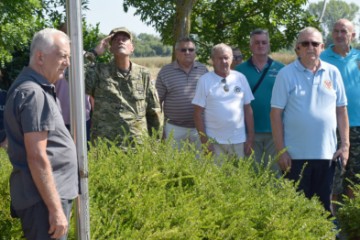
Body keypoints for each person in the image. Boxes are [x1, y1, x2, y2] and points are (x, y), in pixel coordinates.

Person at [4, 28, 78, 240]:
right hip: (44, 201)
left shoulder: (35, 88)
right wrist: (55, 210)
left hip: (44, 198)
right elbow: (37, 156)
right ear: (40, 57)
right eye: (63, 55)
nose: (68, 62)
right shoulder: (33, 93)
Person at [270, 27, 349, 213]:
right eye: (305, 43)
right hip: (295, 157)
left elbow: (341, 110)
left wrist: (345, 146)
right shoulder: (286, 74)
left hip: (327, 155)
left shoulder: (333, 72)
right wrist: (281, 150)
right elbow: (275, 115)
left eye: (315, 43)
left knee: (324, 210)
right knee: (296, 211)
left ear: (322, 47)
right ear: (298, 48)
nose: (310, 47)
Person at [85, 27, 162, 145]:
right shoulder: (99, 72)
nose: (120, 41)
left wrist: (155, 145)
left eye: (124, 39)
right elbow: (71, 75)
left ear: (132, 48)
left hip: (137, 147)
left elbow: (153, 111)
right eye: (115, 40)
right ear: (110, 48)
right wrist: (94, 52)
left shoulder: (143, 74)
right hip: (106, 146)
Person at [192, 43, 254, 162]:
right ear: (213, 60)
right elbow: (197, 114)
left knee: (238, 177)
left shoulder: (240, 78)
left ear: (231, 59)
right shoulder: (204, 81)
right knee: (215, 179)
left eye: (226, 57)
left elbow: (248, 109)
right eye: (219, 58)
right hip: (214, 142)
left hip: (238, 140)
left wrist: (250, 138)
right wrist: (204, 141)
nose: (224, 61)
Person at [320, 19, 360, 203]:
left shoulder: (358, 58)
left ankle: (350, 217)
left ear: (353, 35)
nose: (339, 35)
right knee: (332, 174)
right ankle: (332, 221)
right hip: (331, 126)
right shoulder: (322, 58)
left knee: (355, 175)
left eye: (343, 31)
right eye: (335, 31)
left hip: (357, 125)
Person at [235, 29, 284, 174]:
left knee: (274, 176)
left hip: (275, 132)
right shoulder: (239, 71)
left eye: (264, 42)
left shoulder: (281, 69)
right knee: (251, 175)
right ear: (250, 46)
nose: (260, 45)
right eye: (257, 42)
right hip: (249, 133)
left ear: (269, 45)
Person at [156, 37, 208, 149]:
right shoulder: (165, 71)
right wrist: (161, 128)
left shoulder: (203, 70)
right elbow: (157, 102)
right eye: (183, 50)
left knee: (200, 163)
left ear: (195, 52)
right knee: (173, 164)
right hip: (174, 128)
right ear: (176, 52)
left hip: (199, 128)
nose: (187, 52)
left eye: (191, 49)